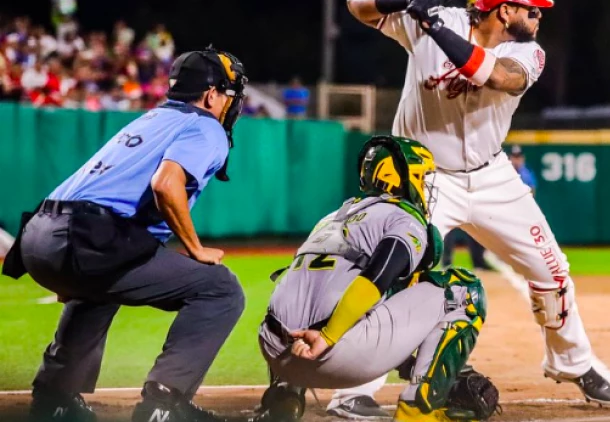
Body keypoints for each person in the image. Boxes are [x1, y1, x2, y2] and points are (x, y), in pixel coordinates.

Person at [333, 0, 610, 418]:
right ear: (505, 10)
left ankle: (572, 362)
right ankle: (351, 392)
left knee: (553, 272)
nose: (540, 16)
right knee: (391, 277)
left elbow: (497, 77)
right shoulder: (433, 18)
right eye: (532, 8)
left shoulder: (529, 54)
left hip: (491, 178)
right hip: (423, 181)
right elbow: (357, 4)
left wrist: (427, 22)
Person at [2, 47, 249, 422]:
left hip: (39, 233)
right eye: (229, 95)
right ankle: (163, 405)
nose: (231, 105)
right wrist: (195, 248)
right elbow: (166, 185)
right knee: (221, 289)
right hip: (84, 237)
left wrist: (65, 261)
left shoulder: (151, 119)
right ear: (212, 94)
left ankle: (55, 398)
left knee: (99, 289)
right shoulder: (205, 125)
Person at [248, 136, 497, 422]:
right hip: (330, 354)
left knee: (314, 290)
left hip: (276, 349)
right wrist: (328, 336)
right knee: (464, 289)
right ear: (400, 176)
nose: (426, 184)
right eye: (422, 175)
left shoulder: (332, 217)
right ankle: (419, 411)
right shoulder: (404, 217)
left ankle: (284, 400)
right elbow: (377, 279)